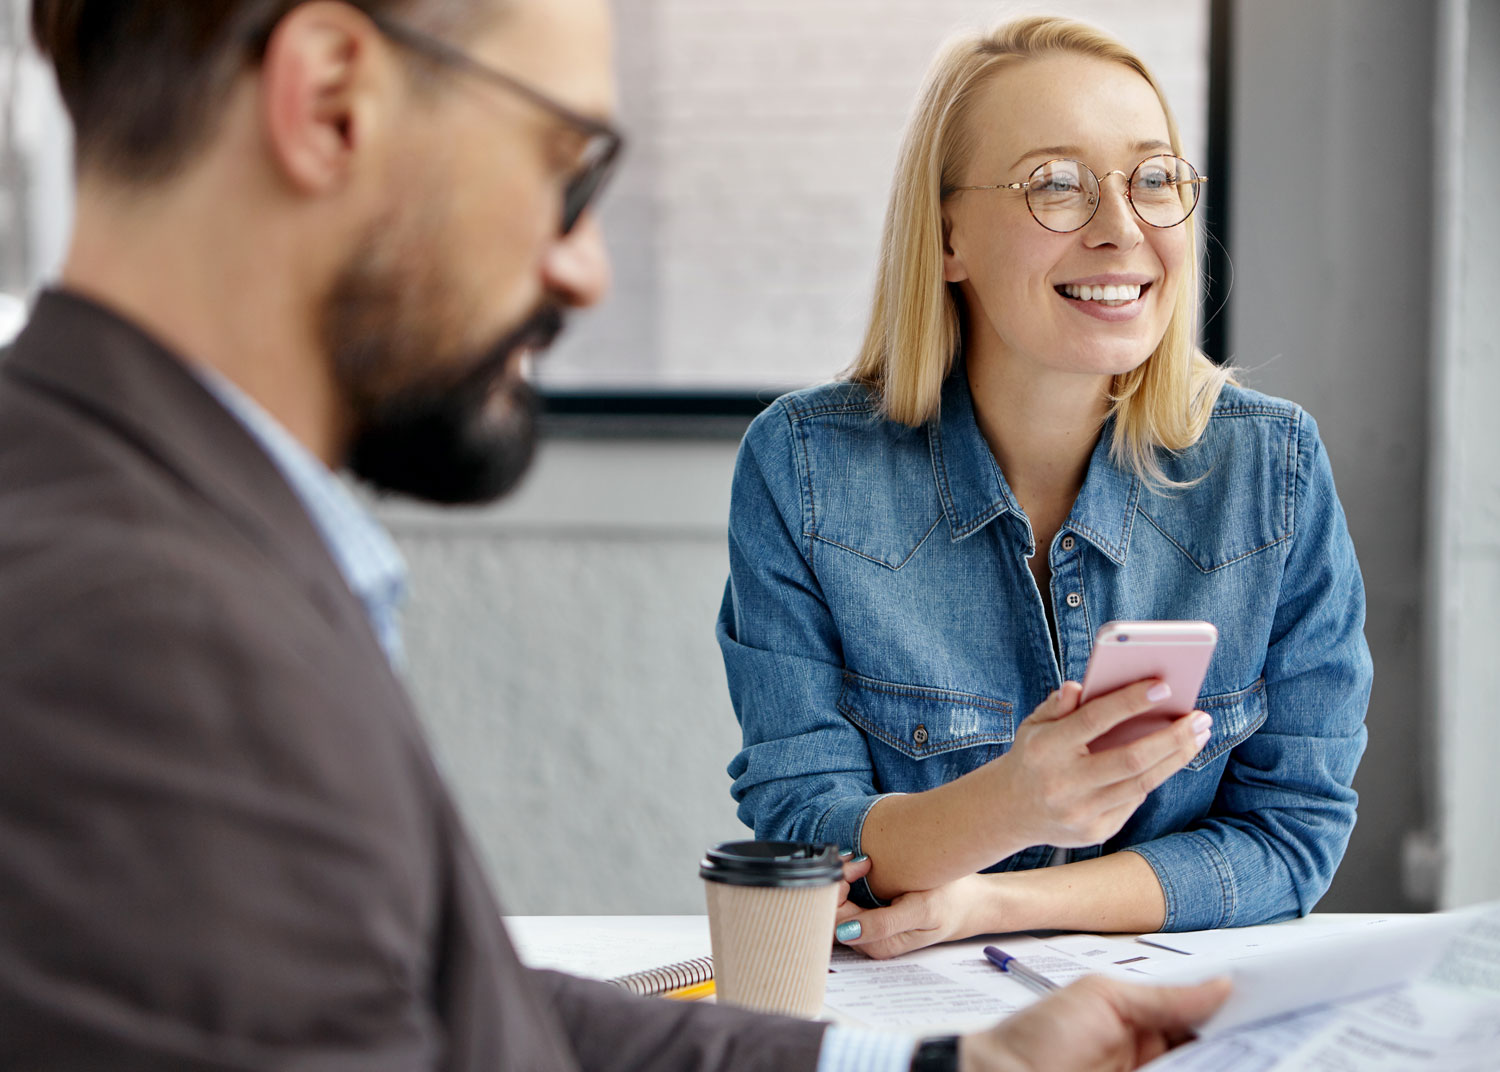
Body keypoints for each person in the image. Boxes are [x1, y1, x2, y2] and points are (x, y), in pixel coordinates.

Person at [0, 1, 1231, 1069]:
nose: (586, 268)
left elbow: (452, 1009)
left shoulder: (166, 528)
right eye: (569, 168)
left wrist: (944, 1067)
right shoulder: (138, 630)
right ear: (329, 106)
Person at [717, 15, 1373, 959]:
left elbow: (1291, 837)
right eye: (1056, 186)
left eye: (1153, 180)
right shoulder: (804, 470)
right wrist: (1012, 804)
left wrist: (993, 902)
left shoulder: (1275, 473)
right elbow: (803, 827)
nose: (1122, 230)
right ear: (948, 238)